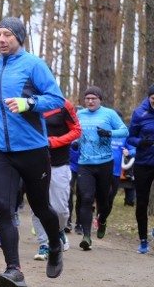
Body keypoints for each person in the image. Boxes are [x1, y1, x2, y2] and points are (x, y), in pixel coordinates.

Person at [0, 16, 65, 287]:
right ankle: (13, 269)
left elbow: (56, 99)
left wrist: (28, 102)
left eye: (7, 34)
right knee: (3, 207)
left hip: (32, 149)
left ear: (19, 37)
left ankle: (55, 244)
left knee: (41, 207)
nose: (2, 40)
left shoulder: (34, 65)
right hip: (1, 151)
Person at [75, 86, 128, 251]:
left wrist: (109, 133)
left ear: (100, 100)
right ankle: (86, 236)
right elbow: (74, 132)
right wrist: (74, 142)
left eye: (94, 98)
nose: (90, 101)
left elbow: (125, 131)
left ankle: (102, 219)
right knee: (85, 197)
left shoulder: (109, 114)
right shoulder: (79, 114)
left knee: (103, 201)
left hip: (105, 163)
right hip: (85, 163)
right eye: (87, 98)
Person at [30, 99, 81, 261]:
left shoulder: (63, 104)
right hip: (35, 164)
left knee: (60, 209)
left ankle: (58, 230)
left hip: (59, 164)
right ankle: (44, 244)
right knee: (38, 207)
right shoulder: (25, 104)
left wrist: (54, 142)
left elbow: (76, 130)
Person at [127, 85, 154, 254]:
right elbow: (130, 137)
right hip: (143, 163)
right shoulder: (140, 113)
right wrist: (140, 143)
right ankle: (143, 239)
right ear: (149, 97)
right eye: (153, 98)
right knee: (142, 202)